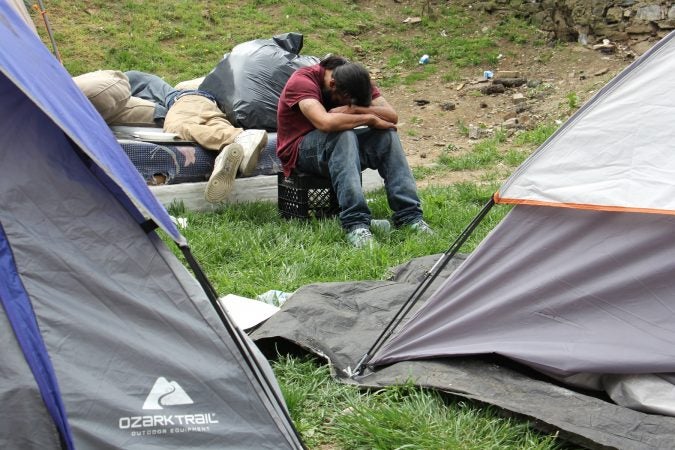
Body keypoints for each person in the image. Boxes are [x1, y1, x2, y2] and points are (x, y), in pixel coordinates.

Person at [276, 55, 432, 247]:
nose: (350, 105)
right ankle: (356, 224)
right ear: (333, 84)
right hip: (301, 153)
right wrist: (370, 119)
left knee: (387, 135)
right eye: (348, 102)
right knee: (344, 134)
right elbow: (325, 122)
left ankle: (410, 217)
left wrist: (355, 110)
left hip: (339, 149)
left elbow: (392, 116)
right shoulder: (302, 81)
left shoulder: (355, 79)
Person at [73, 70, 267, 203]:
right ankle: (226, 154)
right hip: (193, 101)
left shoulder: (126, 81)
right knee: (200, 121)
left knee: (178, 124)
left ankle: (237, 138)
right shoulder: (145, 90)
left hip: (189, 99)